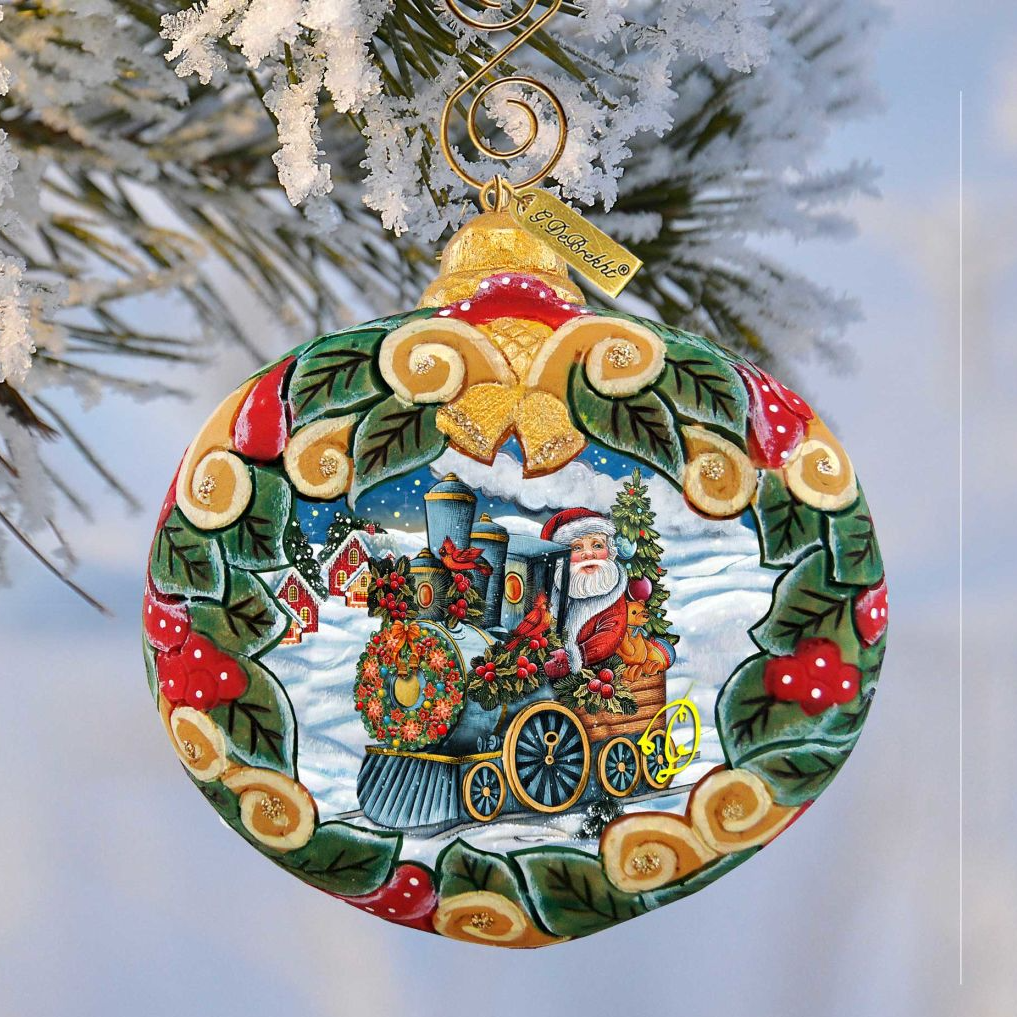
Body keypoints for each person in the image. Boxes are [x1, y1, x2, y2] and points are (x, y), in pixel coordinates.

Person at [542, 508, 628, 673]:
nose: (589, 554)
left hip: (593, 670)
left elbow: (611, 633)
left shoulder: (612, 591)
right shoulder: (549, 589)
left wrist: (575, 656)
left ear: (608, 551)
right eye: (577, 548)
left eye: (597, 545)